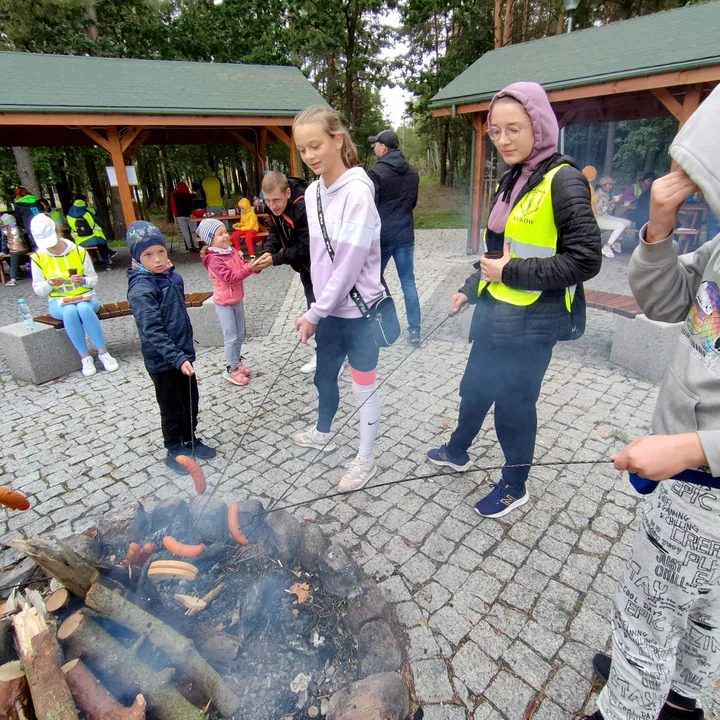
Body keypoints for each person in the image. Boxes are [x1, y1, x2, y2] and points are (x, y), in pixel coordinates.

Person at [583, 85, 720, 720]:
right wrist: (659, 232)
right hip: (691, 471)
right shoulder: (719, 251)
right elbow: (667, 303)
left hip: (703, 486)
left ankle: (630, 703)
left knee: (645, 613)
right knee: (707, 605)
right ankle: (684, 698)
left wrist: (690, 447)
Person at [426, 81, 601, 519]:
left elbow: (585, 261)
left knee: (514, 405)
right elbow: (498, 250)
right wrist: (469, 288)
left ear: (539, 126)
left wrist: (510, 273)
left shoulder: (565, 181)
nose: (503, 140)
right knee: (474, 389)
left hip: (532, 324)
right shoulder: (515, 178)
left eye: (514, 129)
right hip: (493, 313)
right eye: (496, 131)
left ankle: (514, 484)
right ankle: (458, 451)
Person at [292, 105, 384, 493]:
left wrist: (315, 311)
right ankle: (322, 430)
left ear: (337, 140)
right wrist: (319, 307)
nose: (310, 156)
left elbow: (348, 264)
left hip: (360, 312)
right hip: (328, 309)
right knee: (324, 375)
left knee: (363, 385)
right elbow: (318, 258)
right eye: (302, 150)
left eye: (316, 145)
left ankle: (366, 457)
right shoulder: (312, 193)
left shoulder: (359, 192)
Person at [126, 220, 216, 474]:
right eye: (148, 254)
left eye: (161, 251)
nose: (157, 259)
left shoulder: (172, 277)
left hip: (181, 356)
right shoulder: (141, 289)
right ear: (136, 258)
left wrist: (182, 354)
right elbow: (152, 330)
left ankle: (190, 439)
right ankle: (175, 450)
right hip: (163, 360)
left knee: (190, 400)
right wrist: (176, 357)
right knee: (171, 406)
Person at [29, 213, 118, 377]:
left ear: (58, 232)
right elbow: (38, 290)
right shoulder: (37, 258)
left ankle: (103, 352)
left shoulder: (79, 251)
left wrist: (82, 280)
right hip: (59, 301)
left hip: (86, 297)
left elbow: (93, 280)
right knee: (70, 311)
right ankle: (85, 356)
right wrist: (49, 284)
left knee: (83, 308)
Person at [252, 171, 317, 374]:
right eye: (268, 201)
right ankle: (328, 352)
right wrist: (266, 252)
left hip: (319, 265)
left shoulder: (304, 205)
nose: (273, 206)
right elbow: (274, 231)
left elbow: (306, 247)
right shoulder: (272, 206)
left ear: (288, 193)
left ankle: (330, 357)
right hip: (305, 267)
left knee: (318, 310)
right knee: (314, 308)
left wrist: (276, 259)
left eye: (277, 200)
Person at [366, 129, 422, 345]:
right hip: (405, 233)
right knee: (408, 281)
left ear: (384, 148)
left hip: (383, 236)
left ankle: (382, 323)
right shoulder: (413, 172)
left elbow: (370, 207)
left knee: (373, 278)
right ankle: (414, 331)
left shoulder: (375, 173)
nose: (374, 147)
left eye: (376, 144)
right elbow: (412, 203)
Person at [198, 218, 256, 386]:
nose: (226, 236)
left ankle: (237, 361)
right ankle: (230, 370)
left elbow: (243, 265)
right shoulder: (214, 259)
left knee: (239, 334)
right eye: (220, 233)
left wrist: (254, 266)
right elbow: (230, 278)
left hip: (236, 299)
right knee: (230, 336)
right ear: (210, 240)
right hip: (224, 303)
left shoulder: (230, 251)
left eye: (226, 232)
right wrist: (248, 269)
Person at [67, 196, 114, 269]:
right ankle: (107, 263)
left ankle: (85, 267)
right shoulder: (88, 213)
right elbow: (99, 223)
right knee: (102, 244)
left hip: (80, 241)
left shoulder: (69, 216)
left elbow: (69, 229)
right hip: (95, 238)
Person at [595, 177, 632, 258]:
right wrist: (611, 202)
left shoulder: (606, 194)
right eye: (610, 185)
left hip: (605, 216)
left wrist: (614, 202)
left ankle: (617, 242)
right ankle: (607, 247)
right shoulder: (598, 195)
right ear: (604, 185)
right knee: (620, 226)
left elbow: (609, 210)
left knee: (628, 223)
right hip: (598, 218)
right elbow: (598, 211)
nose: (611, 186)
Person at [2, 212, 30, 287]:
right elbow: (27, 238)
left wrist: (3, 252)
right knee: (30, 258)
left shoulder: (4, 231)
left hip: (14, 251)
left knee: (13, 265)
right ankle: (29, 266)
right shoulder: (20, 228)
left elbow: (4, 243)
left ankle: (13, 279)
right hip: (24, 249)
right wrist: (30, 248)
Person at [170, 181, 198, 252]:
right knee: (193, 231)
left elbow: (173, 205)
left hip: (180, 216)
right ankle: (197, 246)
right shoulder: (189, 195)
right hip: (190, 215)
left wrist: (176, 215)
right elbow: (192, 205)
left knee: (185, 232)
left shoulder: (173, 194)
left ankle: (189, 247)